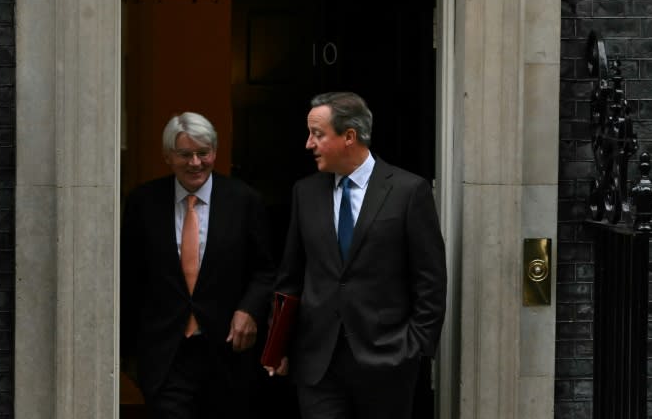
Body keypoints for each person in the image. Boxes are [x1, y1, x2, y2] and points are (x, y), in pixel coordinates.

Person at [268, 91, 447, 419]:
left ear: (349, 136)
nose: (309, 144)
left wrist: (414, 346)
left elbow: (430, 280)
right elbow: (290, 275)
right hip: (318, 363)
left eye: (318, 134)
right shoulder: (304, 193)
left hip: (387, 361)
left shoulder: (409, 191)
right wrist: (277, 344)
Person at [121, 111, 275, 419]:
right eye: (185, 154)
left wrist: (249, 310)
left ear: (214, 152)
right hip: (166, 353)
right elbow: (129, 276)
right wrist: (128, 354)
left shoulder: (244, 200)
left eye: (203, 153)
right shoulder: (143, 202)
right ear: (168, 156)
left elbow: (267, 270)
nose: (195, 163)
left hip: (226, 352)